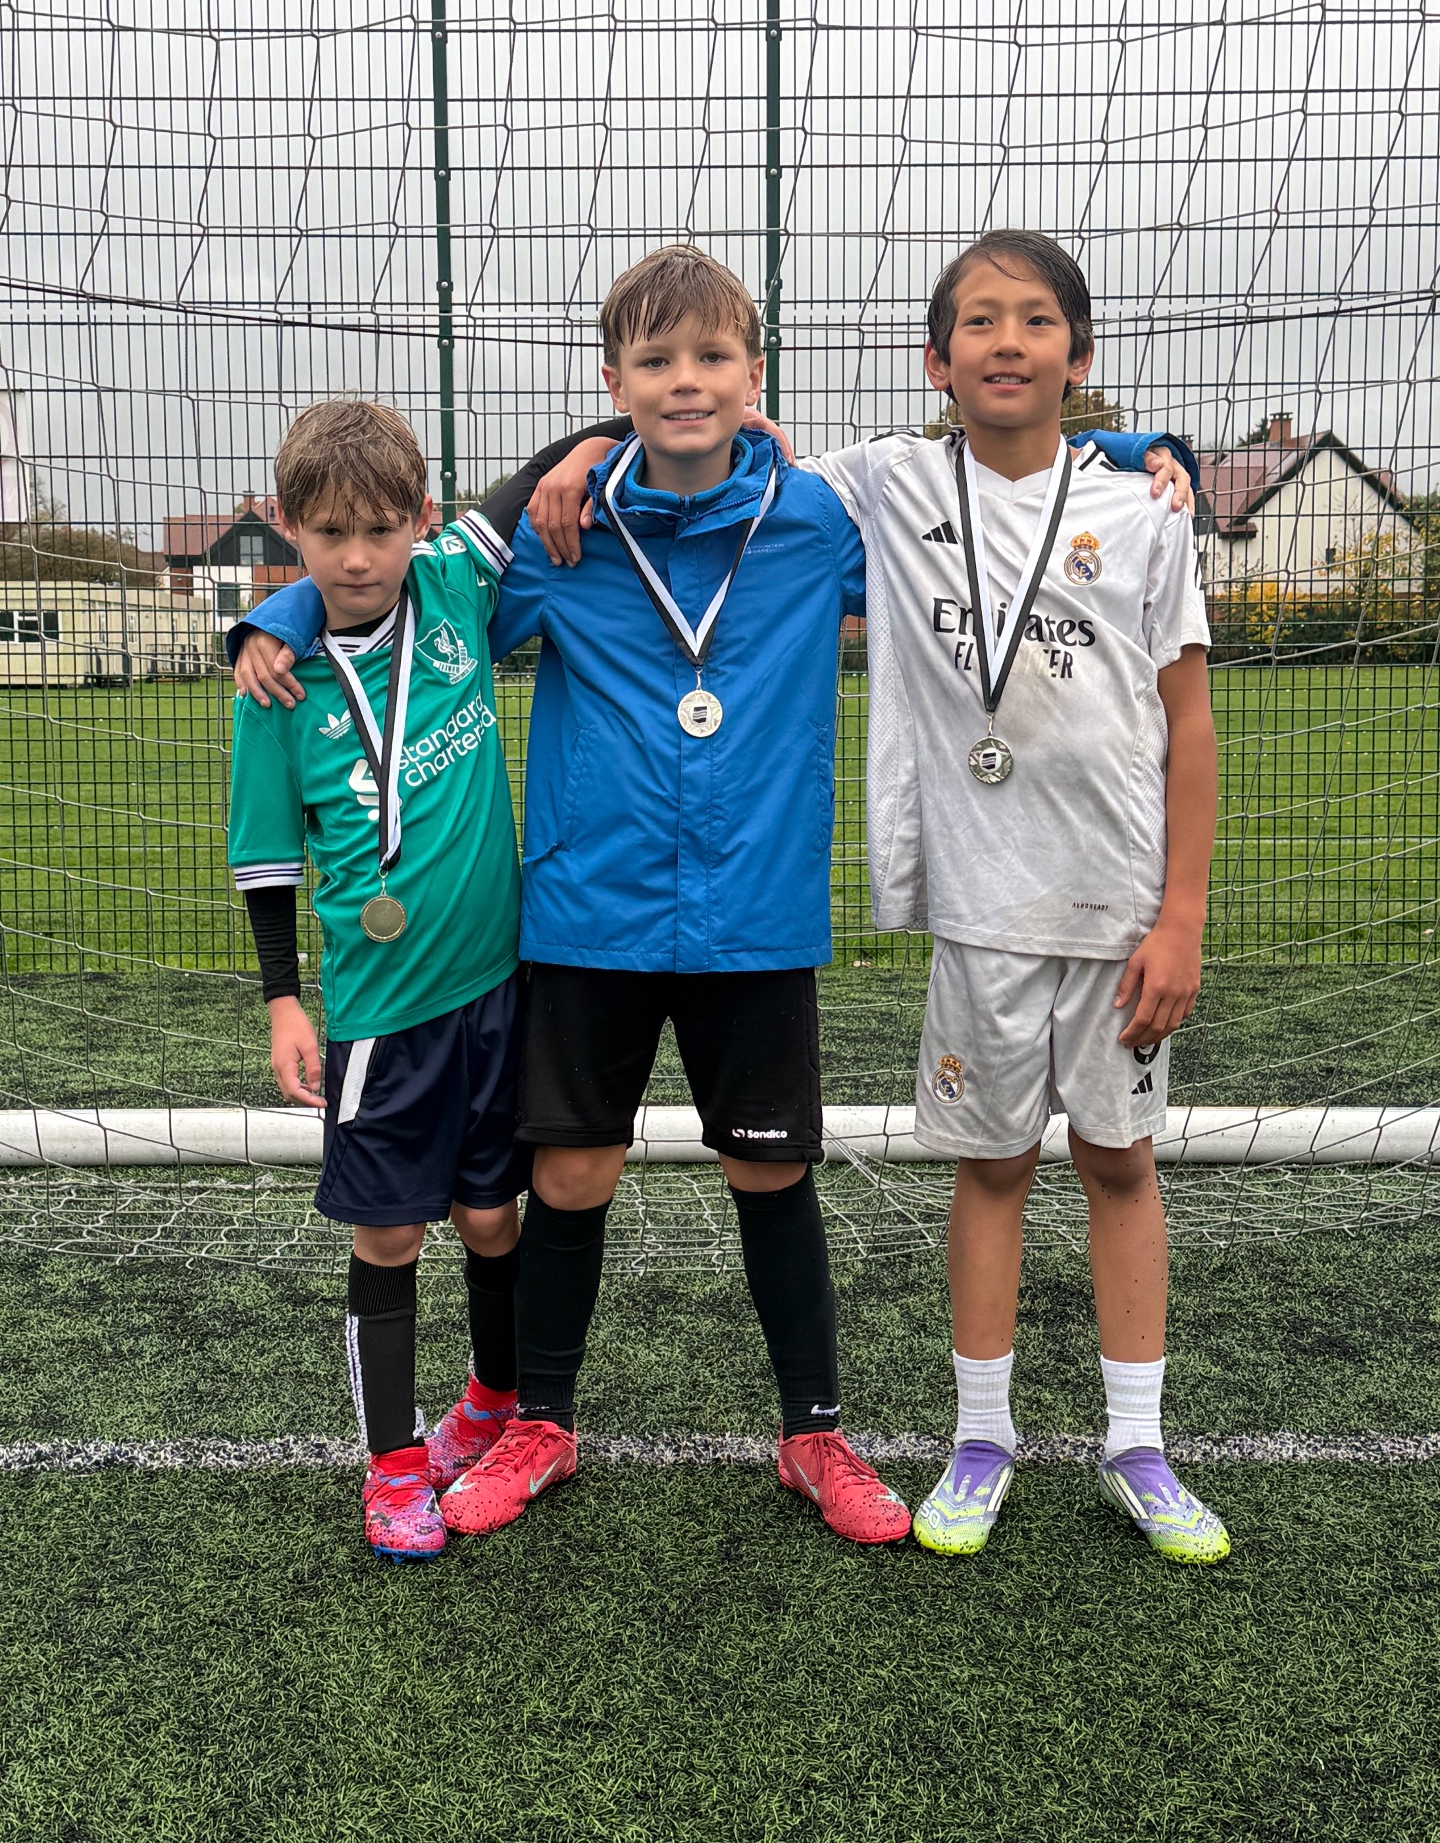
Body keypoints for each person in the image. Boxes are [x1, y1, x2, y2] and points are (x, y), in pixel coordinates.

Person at [233, 247, 1195, 1551]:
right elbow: (409, 599)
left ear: (755, 375)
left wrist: (1142, 444)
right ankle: (542, 1426)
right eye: (654, 363)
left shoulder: (819, 520)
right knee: (570, 1173)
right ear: (614, 383)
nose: (685, 383)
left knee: (775, 1172)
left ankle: (814, 1433)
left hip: (755, 910)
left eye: (711, 360)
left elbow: (989, 486)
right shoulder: (562, 534)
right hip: (590, 915)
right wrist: (280, 608)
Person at [810, 229, 1228, 1562]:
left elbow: (1193, 726)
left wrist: (1183, 916)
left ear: (1077, 358)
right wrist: (591, 455)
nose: (1006, 340)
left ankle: (1138, 1447)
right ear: (935, 363)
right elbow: (729, 444)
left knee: (1118, 1162)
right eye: (978, 323)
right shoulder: (885, 484)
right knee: (991, 1170)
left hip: (1119, 914)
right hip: (981, 915)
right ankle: (981, 1437)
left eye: (1035, 320)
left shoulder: (1146, 510)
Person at [227, 400, 529, 1562]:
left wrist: (636, 432)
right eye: (328, 535)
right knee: (391, 1236)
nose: (356, 559)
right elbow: (264, 859)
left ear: (422, 522)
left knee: (493, 1217)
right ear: (288, 529)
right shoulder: (274, 684)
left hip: (496, 990)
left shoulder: (454, 591)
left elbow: (553, 465)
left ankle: (494, 1402)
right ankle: (393, 1461)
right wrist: (281, 998)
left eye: (379, 531)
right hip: (375, 1018)